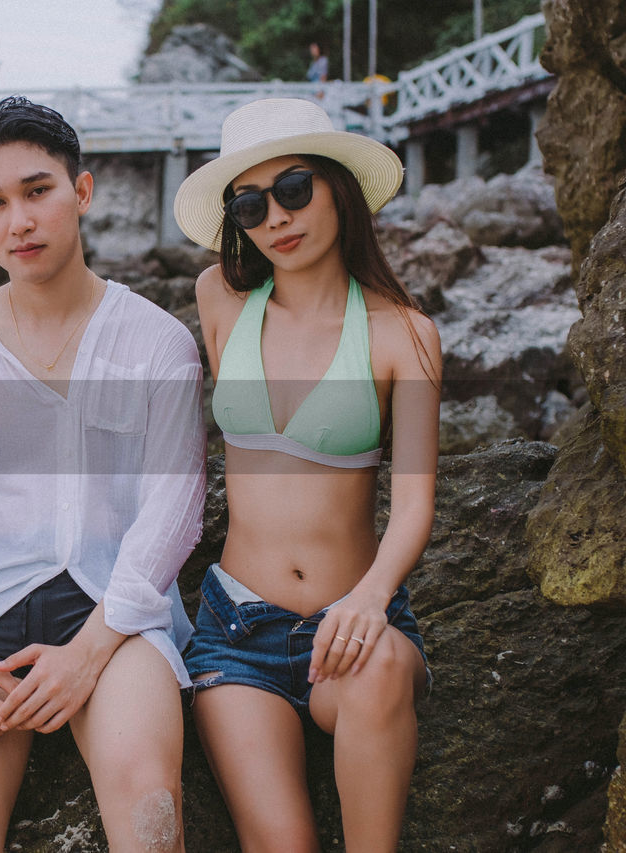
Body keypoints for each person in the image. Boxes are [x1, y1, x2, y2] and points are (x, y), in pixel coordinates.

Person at [0, 95, 206, 851]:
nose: (20, 221)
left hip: (115, 609)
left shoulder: (157, 343)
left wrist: (89, 653)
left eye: (38, 191)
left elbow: (176, 511)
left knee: (150, 812)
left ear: (82, 191)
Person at [172, 97, 441, 851]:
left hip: (352, 623)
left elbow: (415, 505)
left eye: (294, 189)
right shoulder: (220, 299)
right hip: (235, 631)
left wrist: (370, 599)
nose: (277, 219)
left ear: (335, 186)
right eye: (251, 205)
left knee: (381, 669)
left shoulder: (403, 335)